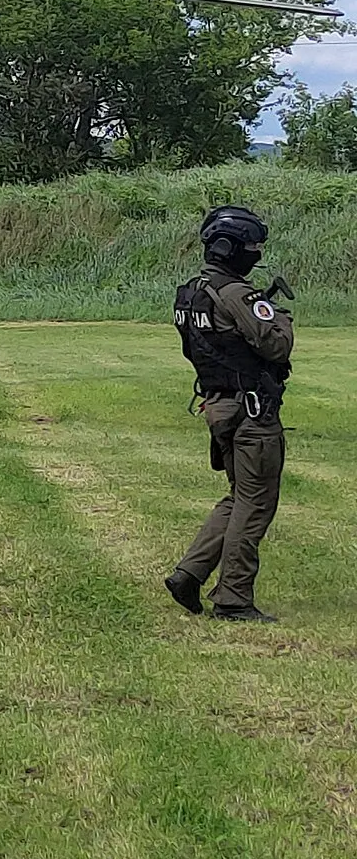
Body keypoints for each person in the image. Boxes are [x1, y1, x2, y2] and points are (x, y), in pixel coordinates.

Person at [166, 205, 294, 623]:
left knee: (239, 496)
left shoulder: (191, 294)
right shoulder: (237, 294)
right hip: (252, 412)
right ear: (232, 248)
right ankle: (234, 598)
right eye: (252, 247)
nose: (256, 254)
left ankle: (190, 573)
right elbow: (276, 346)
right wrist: (281, 318)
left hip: (220, 406)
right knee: (255, 503)